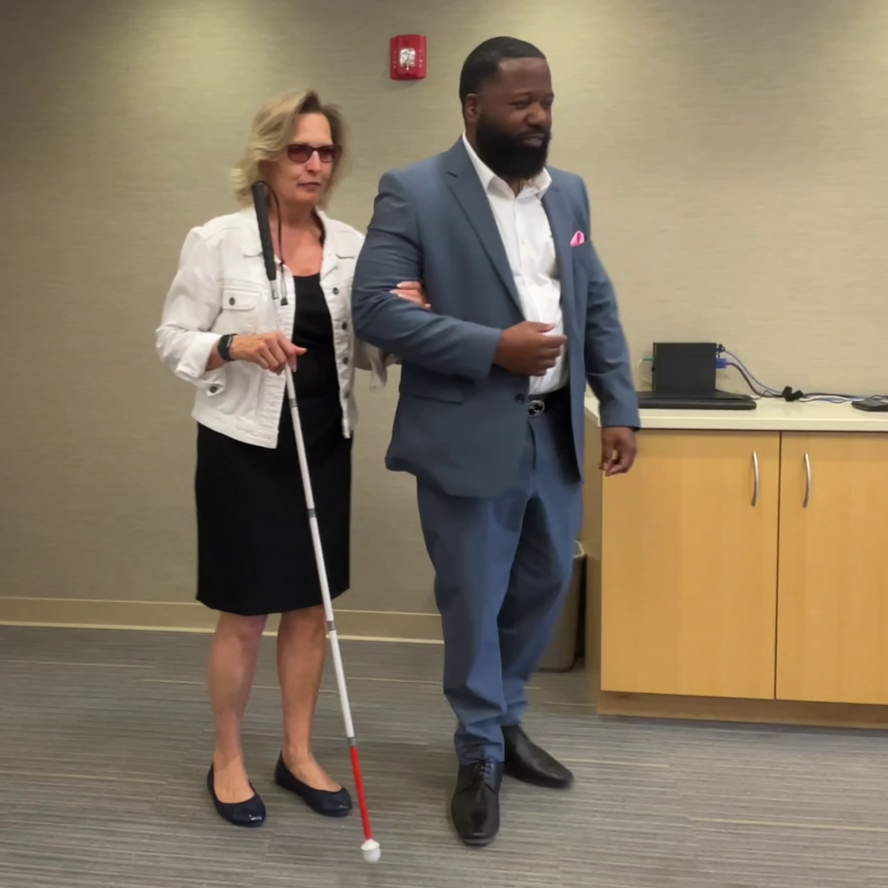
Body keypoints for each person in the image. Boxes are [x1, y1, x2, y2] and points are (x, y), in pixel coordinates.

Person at [351, 37, 640, 846]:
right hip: (466, 436)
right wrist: (492, 348)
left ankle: (506, 720)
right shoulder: (415, 191)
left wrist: (617, 402)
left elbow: (596, 305)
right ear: (474, 108)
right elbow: (376, 309)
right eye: (522, 103)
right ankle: (477, 749)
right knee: (475, 602)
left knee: (542, 590)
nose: (540, 116)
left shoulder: (569, 195)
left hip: (554, 437)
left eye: (546, 101)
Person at [156, 89, 425, 829]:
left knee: (311, 608)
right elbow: (172, 337)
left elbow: (368, 345)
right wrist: (235, 343)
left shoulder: (353, 245)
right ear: (268, 155)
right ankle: (229, 756)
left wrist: (410, 317)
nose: (315, 164)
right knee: (245, 614)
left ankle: (299, 752)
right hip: (244, 448)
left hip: (324, 441)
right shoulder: (216, 240)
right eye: (300, 150)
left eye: (326, 152)